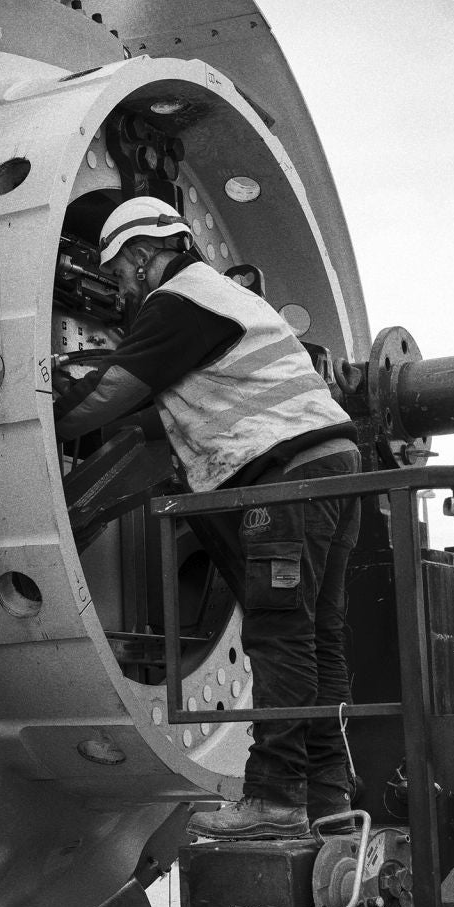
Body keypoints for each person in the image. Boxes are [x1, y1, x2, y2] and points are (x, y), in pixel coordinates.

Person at [53, 196, 360, 839]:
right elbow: (170, 408)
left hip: (285, 481)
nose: (121, 288)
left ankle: (275, 797)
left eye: (119, 273)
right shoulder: (225, 300)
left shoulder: (179, 301)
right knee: (318, 636)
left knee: (278, 635)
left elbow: (109, 393)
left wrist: (43, 411)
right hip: (334, 468)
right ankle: (329, 798)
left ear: (142, 256)